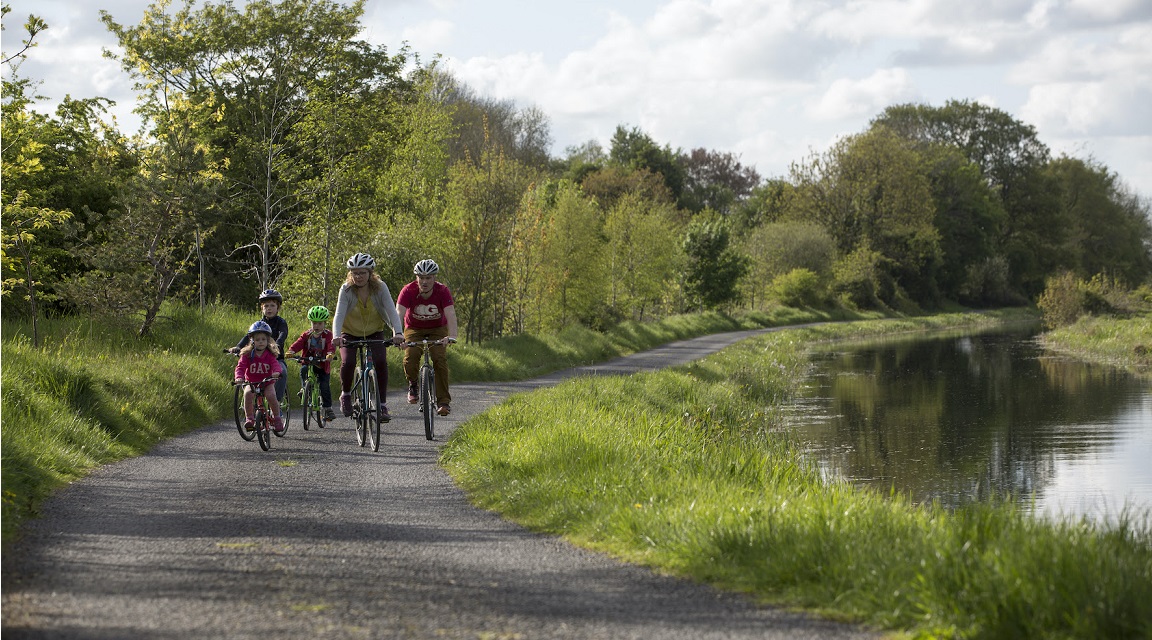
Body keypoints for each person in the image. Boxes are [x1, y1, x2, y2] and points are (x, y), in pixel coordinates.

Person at [331, 252, 405, 420]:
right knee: (348, 361)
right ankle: (346, 394)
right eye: (355, 273)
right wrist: (336, 336)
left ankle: (382, 406)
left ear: (370, 273)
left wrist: (398, 332)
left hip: (374, 331)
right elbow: (339, 314)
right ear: (351, 274)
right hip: (349, 333)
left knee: (380, 362)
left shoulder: (380, 287)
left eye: (362, 272)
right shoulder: (346, 289)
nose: (358, 276)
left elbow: (392, 311)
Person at [396, 259, 458, 416]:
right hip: (414, 328)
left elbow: (450, 313)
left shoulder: (442, 291)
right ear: (416, 277)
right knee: (411, 357)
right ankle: (413, 384)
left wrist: (451, 336)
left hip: (437, 329)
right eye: (421, 277)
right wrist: (398, 335)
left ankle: (443, 402)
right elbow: (398, 313)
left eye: (428, 277)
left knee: (439, 358)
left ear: (434, 278)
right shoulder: (408, 290)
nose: (424, 281)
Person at [230, 289, 289, 404]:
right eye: (266, 306)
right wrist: (238, 347)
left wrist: (277, 344)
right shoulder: (258, 324)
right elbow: (248, 337)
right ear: (262, 308)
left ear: (278, 308)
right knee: (246, 373)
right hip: (257, 358)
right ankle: (250, 403)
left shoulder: (281, 322)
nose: (269, 308)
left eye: (272, 305)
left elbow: (283, 334)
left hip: (275, 358)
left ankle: (278, 401)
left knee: (283, 372)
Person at [286, 305, 337, 422]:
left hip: (322, 364)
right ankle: (304, 389)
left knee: (324, 386)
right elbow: (299, 343)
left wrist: (330, 353)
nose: (317, 326)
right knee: (303, 371)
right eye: (314, 323)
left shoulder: (328, 335)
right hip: (308, 362)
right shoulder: (307, 334)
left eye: (320, 323)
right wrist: (291, 351)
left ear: (325, 323)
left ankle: (327, 408)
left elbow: (331, 345)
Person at [233, 320, 285, 434]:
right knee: (247, 394)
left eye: (263, 339)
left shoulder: (270, 354)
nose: (260, 342)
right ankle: (250, 419)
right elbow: (240, 367)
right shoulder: (247, 354)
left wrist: (277, 372)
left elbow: (276, 365)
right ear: (252, 340)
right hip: (251, 382)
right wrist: (239, 377)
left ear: (268, 340)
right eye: (257, 340)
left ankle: (277, 418)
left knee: (271, 395)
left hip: (267, 382)